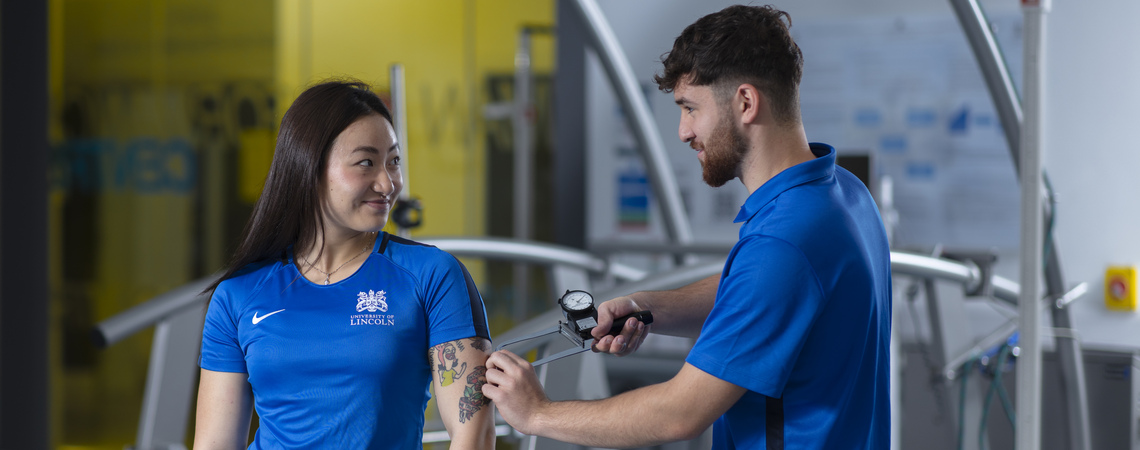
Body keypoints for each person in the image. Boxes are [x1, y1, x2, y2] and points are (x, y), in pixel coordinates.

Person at [481, 5, 892, 449]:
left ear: (746, 103)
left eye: (691, 108)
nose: (683, 131)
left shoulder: (783, 245)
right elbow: (762, 291)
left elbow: (680, 415)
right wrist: (647, 307)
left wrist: (537, 413)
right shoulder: (844, 194)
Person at [193, 80, 495, 449]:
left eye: (394, 161)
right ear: (309, 166)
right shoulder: (239, 294)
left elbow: (473, 435)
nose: (387, 183)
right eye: (366, 163)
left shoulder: (431, 275)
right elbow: (215, 444)